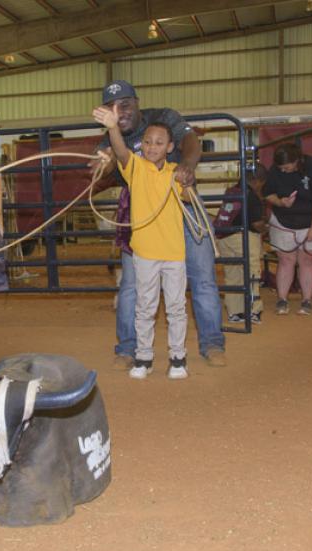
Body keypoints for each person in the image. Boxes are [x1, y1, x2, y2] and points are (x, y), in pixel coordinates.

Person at [89, 80, 227, 369]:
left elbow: (191, 142)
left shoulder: (164, 117)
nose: (120, 111)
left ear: (137, 103)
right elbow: (111, 162)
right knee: (131, 285)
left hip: (184, 205)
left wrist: (187, 165)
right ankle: (127, 349)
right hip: (143, 216)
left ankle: (212, 344)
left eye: (125, 103)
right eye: (112, 106)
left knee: (202, 278)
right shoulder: (109, 138)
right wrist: (103, 163)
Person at [92, 105, 194, 380]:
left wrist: (188, 177)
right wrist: (113, 127)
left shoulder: (176, 173)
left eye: (159, 143)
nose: (151, 147)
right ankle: (144, 357)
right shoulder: (135, 168)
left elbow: (188, 196)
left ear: (170, 146)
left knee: (175, 307)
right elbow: (121, 152)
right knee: (145, 307)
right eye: (147, 142)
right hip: (145, 253)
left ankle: (177, 357)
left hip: (174, 254)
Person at [263, 143, 312, 317]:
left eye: (287, 167)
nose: (283, 171)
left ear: (297, 161)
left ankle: (307, 300)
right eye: (280, 168)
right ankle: (282, 300)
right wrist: (280, 202)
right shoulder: (275, 171)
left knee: (307, 260)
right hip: (284, 221)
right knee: (285, 260)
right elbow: (268, 193)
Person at [214, 165, 267, 324]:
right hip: (243, 237)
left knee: (233, 274)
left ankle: (235, 312)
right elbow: (257, 224)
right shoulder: (251, 196)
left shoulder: (232, 191)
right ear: (257, 181)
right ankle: (253, 310)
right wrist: (266, 229)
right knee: (252, 272)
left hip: (223, 237)